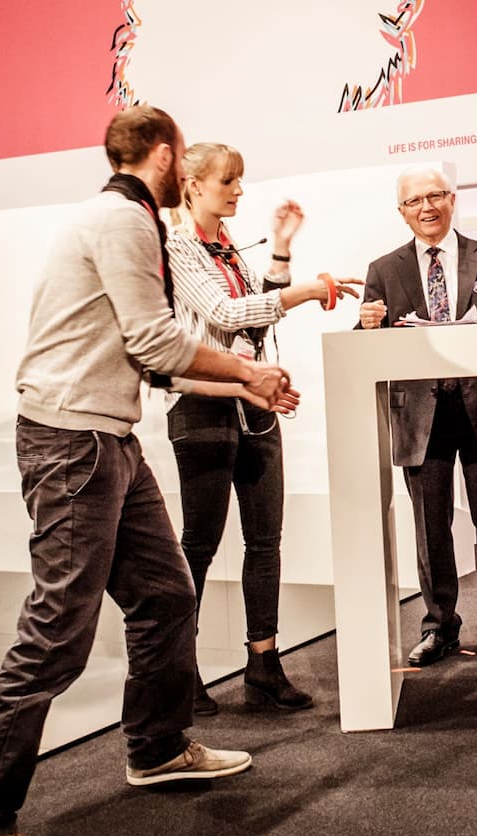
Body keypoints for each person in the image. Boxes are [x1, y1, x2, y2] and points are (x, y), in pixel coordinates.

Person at [0, 106, 291, 836]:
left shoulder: (123, 222)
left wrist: (242, 385)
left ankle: (158, 749)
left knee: (165, 595)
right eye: (187, 157)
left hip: (106, 442)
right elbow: (158, 343)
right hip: (74, 445)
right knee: (56, 635)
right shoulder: (124, 222)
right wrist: (247, 367)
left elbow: (147, 363)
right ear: (165, 155)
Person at [163, 142, 360, 714]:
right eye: (229, 179)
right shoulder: (178, 247)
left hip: (254, 408)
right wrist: (301, 293)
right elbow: (226, 316)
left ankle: (263, 663)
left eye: (240, 180)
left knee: (265, 542)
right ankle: (180, 670)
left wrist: (280, 251)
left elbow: (253, 305)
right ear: (194, 185)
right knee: (197, 547)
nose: (240, 190)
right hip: (202, 408)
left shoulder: (224, 245)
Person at [356, 164, 477, 667]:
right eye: (415, 201)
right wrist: (366, 323)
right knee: (430, 529)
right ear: (402, 211)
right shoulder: (383, 270)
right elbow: (368, 342)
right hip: (420, 414)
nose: (427, 207)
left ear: (453, 199)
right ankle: (440, 627)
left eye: (435, 196)